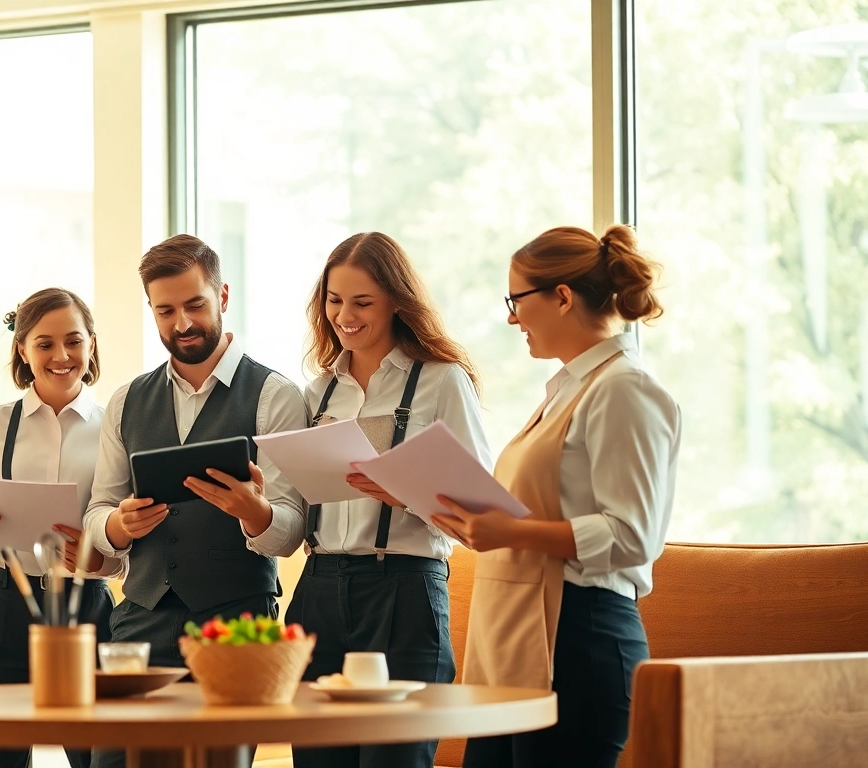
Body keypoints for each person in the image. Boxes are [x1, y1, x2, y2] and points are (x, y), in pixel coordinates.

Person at [431, 225, 681, 768]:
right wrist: (471, 521)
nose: (511, 317)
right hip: (525, 639)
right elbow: (543, 513)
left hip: (581, 640)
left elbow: (633, 536)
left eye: (516, 300)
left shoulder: (624, 390)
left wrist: (510, 532)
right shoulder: (569, 388)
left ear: (562, 297)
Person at [84, 234, 309, 768]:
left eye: (194, 305)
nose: (182, 323)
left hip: (236, 626)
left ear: (223, 296)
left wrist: (256, 515)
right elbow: (97, 514)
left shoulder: (275, 396)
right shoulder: (126, 401)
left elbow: (294, 527)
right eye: (165, 311)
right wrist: (118, 526)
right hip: (138, 622)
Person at [284, 232, 492, 768]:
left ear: (398, 301)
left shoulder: (442, 381)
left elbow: (481, 507)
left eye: (362, 302)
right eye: (334, 301)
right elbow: (293, 505)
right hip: (319, 590)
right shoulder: (316, 394)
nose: (344, 315)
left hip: (403, 589)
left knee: (395, 759)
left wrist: (409, 493)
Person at [0, 287, 121, 768]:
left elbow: (122, 551)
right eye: (44, 344)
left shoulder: (115, 429)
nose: (62, 356)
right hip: (1, 606)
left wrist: (98, 558)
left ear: (91, 344)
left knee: (97, 756)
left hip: (87, 607)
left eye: (74, 341)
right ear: (22, 349)